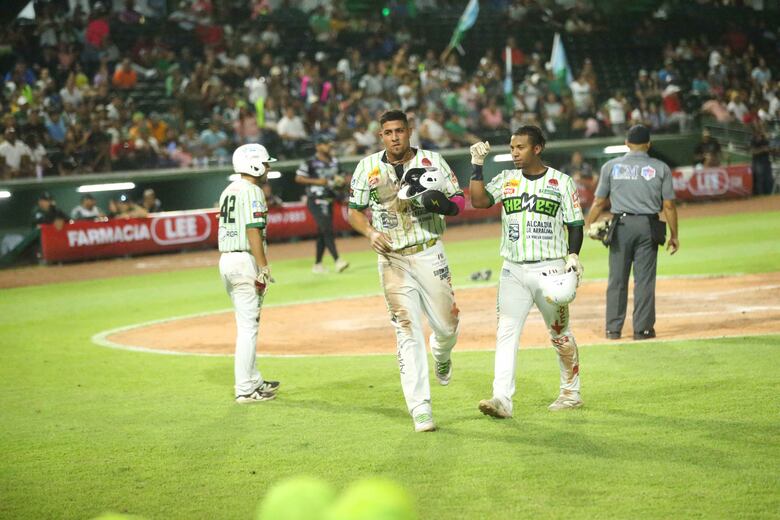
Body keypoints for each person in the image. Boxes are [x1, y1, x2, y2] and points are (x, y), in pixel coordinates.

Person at [347, 110, 464, 432]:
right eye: (388, 132)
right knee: (406, 329)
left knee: (447, 326)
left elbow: (458, 202)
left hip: (429, 251)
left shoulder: (433, 161)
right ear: (381, 136)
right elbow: (353, 211)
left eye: (399, 131)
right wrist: (370, 232)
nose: (394, 137)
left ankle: (442, 352)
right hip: (392, 258)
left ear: (409, 131)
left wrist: (441, 204)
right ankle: (420, 407)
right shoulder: (367, 167)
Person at [468, 126, 585, 419]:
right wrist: (477, 165)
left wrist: (573, 256)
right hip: (513, 270)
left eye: (520, 147)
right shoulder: (507, 179)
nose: (514, 153)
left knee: (560, 334)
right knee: (506, 333)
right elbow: (479, 201)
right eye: (512, 148)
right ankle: (502, 400)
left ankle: (571, 393)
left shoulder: (562, 182)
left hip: (550, 269)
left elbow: (575, 224)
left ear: (537, 148)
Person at [585, 125, 679, 341]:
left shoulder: (610, 166)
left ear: (626, 143)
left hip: (621, 227)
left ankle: (613, 330)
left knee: (617, 280)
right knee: (644, 281)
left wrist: (589, 225)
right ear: (649, 144)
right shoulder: (661, 168)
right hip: (647, 226)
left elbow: (599, 202)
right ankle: (642, 330)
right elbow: (669, 206)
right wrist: (674, 235)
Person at [217, 143, 280, 403]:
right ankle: (245, 389)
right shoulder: (253, 191)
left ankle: (254, 380)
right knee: (248, 328)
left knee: (247, 323)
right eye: (265, 163)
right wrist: (263, 266)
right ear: (253, 164)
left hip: (227, 260)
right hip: (244, 260)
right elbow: (253, 229)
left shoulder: (228, 190)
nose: (267, 168)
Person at [295, 135, 350, 274]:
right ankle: (337, 260)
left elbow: (341, 177)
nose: (328, 146)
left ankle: (318, 264)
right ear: (318, 146)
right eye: (325, 144)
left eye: (329, 144)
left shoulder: (335, 161)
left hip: (329, 199)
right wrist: (317, 181)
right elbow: (299, 178)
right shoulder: (310, 162)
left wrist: (341, 182)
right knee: (326, 229)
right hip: (315, 199)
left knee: (322, 231)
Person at [750, 124, 774, 195]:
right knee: (760, 179)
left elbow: (769, 148)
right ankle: (760, 195)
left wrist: (770, 149)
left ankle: (769, 194)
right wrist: (763, 149)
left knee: (769, 178)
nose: (762, 130)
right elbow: (753, 151)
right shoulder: (753, 139)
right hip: (758, 161)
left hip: (766, 160)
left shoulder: (765, 139)